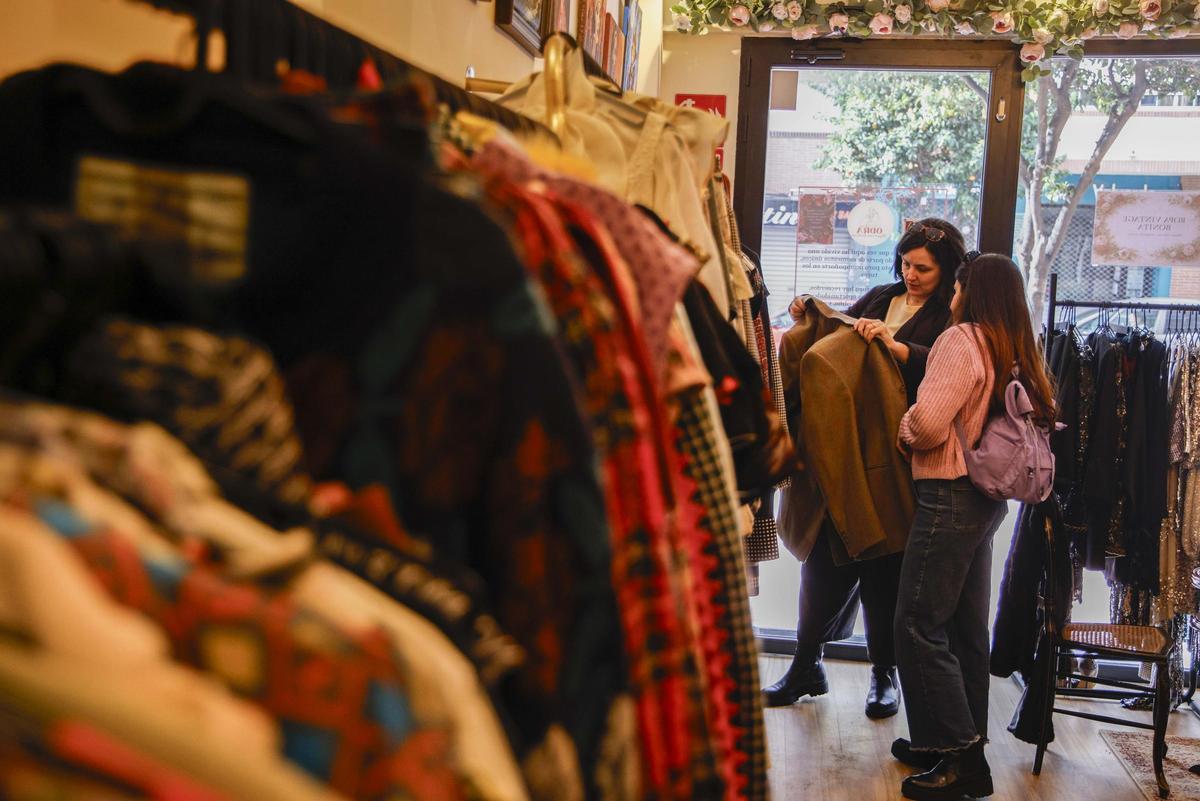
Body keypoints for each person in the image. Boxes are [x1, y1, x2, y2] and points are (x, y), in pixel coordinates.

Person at [764, 218, 966, 718]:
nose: (911, 274)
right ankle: (806, 662)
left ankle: (883, 673)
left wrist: (899, 350)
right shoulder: (880, 296)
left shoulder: (949, 317)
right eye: (906, 264)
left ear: (947, 271)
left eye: (923, 268)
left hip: (897, 454)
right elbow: (832, 338)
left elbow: (947, 369)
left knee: (885, 565)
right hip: (845, 449)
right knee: (825, 557)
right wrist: (804, 315)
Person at [890, 253, 1055, 801]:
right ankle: (955, 741)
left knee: (915, 622)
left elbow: (932, 423)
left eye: (956, 286)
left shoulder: (962, 340)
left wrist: (905, 426)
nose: (952, 296)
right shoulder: (1014, 345)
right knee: (963, 629)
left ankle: (959, 755)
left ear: (967, 290)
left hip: (950, 494)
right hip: (986, 501)